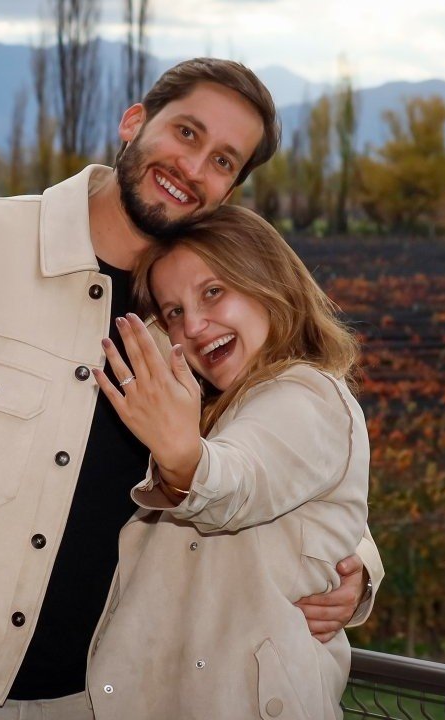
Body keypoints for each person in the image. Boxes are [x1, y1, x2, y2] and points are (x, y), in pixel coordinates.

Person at [0, 58, 383, 719]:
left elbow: (275, 459)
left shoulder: (195, 329)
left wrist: (354, 565)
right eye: (186, 133)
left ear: (229, 190)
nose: (193, 167)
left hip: (101, 699)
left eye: (223, 161)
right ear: (134, 122)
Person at [86, 205, 370, 719]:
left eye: (214, 292)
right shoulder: (212, 403)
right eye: (174, 312)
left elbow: (239, 479)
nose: (194, 325)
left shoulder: (305, 394)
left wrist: (184, 463)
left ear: (268, 282)